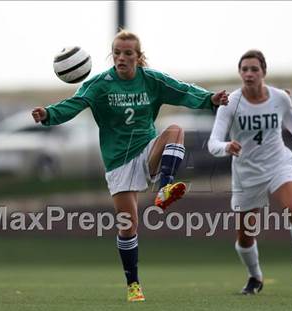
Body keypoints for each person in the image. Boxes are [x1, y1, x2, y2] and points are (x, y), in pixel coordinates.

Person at [32, 30, 228, 302]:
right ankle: (133, 284)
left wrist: (210, 99)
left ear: (139, 56)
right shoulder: (100, 84)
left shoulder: (151, 80)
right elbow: (73, 104)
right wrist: (48, 114)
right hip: (118, 161)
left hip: (147, 148)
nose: (121, 58)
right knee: (128, 225)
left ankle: (164, 187)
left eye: (127, 53)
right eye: (116, 53)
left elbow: (183, 90)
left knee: (174, 130)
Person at [208, 50, 292, 295]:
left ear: (264, 72)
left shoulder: (279, 98)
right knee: (245, 237)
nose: (249, 74)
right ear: (239, 73)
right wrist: (226, 147)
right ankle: (255, 277)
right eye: (244, 69)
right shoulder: (230, 103)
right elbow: (213, 142)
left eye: (254, 69)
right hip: (246, 173)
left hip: (278, 164)